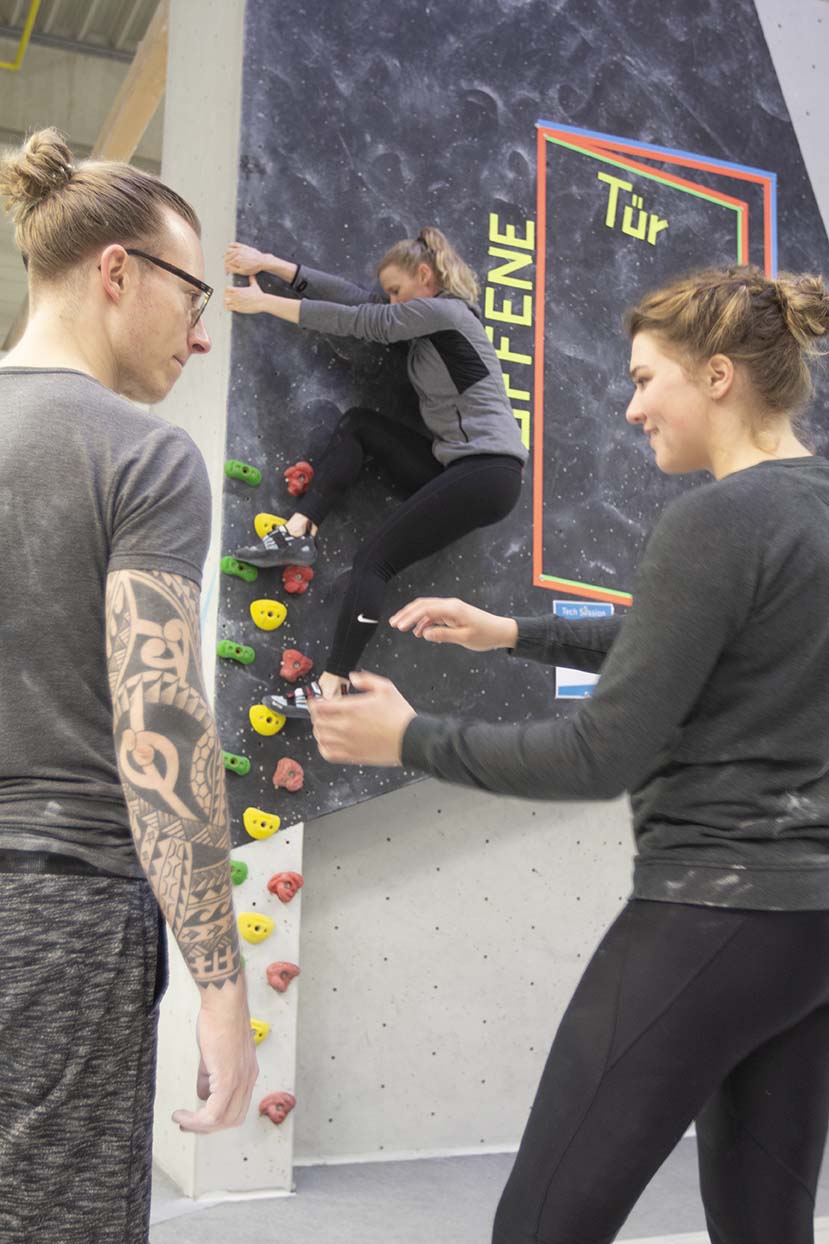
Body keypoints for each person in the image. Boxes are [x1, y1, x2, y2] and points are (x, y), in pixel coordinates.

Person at [307, 265, 829, 1243]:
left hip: (706, 913)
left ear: (717, 375)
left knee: (541, 1225)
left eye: (642, 379)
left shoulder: (715, 519)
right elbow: (699, 629)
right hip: (809, 932)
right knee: (766, 1227)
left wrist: (405, 736)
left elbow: (599, 754)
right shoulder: (808, 509)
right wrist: (513, 631)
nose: (630, 406)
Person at [0, 128, 258, 1244]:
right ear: (117, 272)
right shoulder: (142, 457)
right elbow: (161, 721)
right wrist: (220, 981)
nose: (199, 334)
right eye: (191, 293)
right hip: (61, 909)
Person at [223, 227, 527, 717]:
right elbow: (354, 300)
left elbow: (362, 319)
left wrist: (264, 304)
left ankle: (331, 686)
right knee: (361, 427)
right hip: (453, 465)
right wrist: (272, 264)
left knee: (373, 562)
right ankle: (300, 531)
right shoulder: (421, 319)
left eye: (396, 290)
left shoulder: (446, 313)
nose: (390, 300)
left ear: (425, 277)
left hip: (487, 471)